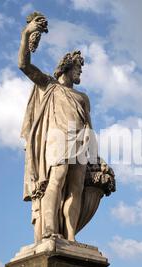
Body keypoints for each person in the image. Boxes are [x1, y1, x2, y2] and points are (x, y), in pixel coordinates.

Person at [18, 12, 94, 243]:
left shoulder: (83, 97)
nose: (81, 71)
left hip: (80, 141)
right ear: (67, 67)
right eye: (78, 68)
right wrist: (27, 34)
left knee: (76, 187)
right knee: (57, 178)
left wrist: (94, 154)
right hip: (58, 138)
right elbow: (24, 65)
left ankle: (70, 237)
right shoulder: (49, 85)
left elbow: (89, 126)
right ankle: (50, 230)